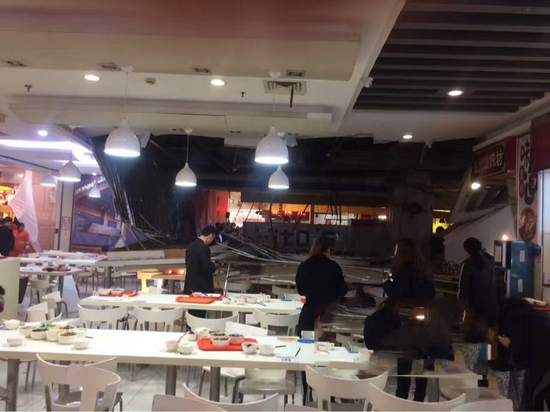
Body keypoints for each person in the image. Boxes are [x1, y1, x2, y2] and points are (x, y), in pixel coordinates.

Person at [383, 238, 435, 402]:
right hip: (423, 320)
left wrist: (387, 284)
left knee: (404, 364)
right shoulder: (424, 271)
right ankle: (419, 400)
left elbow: (398, 294)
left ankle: (402, 400)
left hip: (406, 320)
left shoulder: (404, 271)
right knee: (421, 362)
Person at [498, 298, 550, 410]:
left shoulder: (513, 318)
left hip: (543, 364)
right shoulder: (540, 315)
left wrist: (509, 345)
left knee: (534, 397)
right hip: (544, 362)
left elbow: (520, 352)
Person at [458, 237, 496, 384]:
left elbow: (463, 290)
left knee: (473, 341)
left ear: (466, 250)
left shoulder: (467, 265)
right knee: (484, 341)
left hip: (474, 310)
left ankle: (475, 374)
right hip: (489, 308)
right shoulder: (490, 263)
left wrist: (463, 309)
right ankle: (482, 375)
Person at [295, 236, 347, 335]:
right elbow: (343, 290)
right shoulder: (334, 267)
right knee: (327, 341)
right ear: (328, 250)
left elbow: (301, 291)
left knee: (306, 341)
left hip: (309, 312)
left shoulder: (304, 266)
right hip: (329, 312)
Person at [183, 226, 217, 318]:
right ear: (210, 236)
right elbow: (206, 267)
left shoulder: (190, 246)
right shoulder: (204, 248)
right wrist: (213, 265)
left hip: (190, 285)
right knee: (200, 314)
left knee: (192, 313)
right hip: (202, 287)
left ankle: (190, 326)